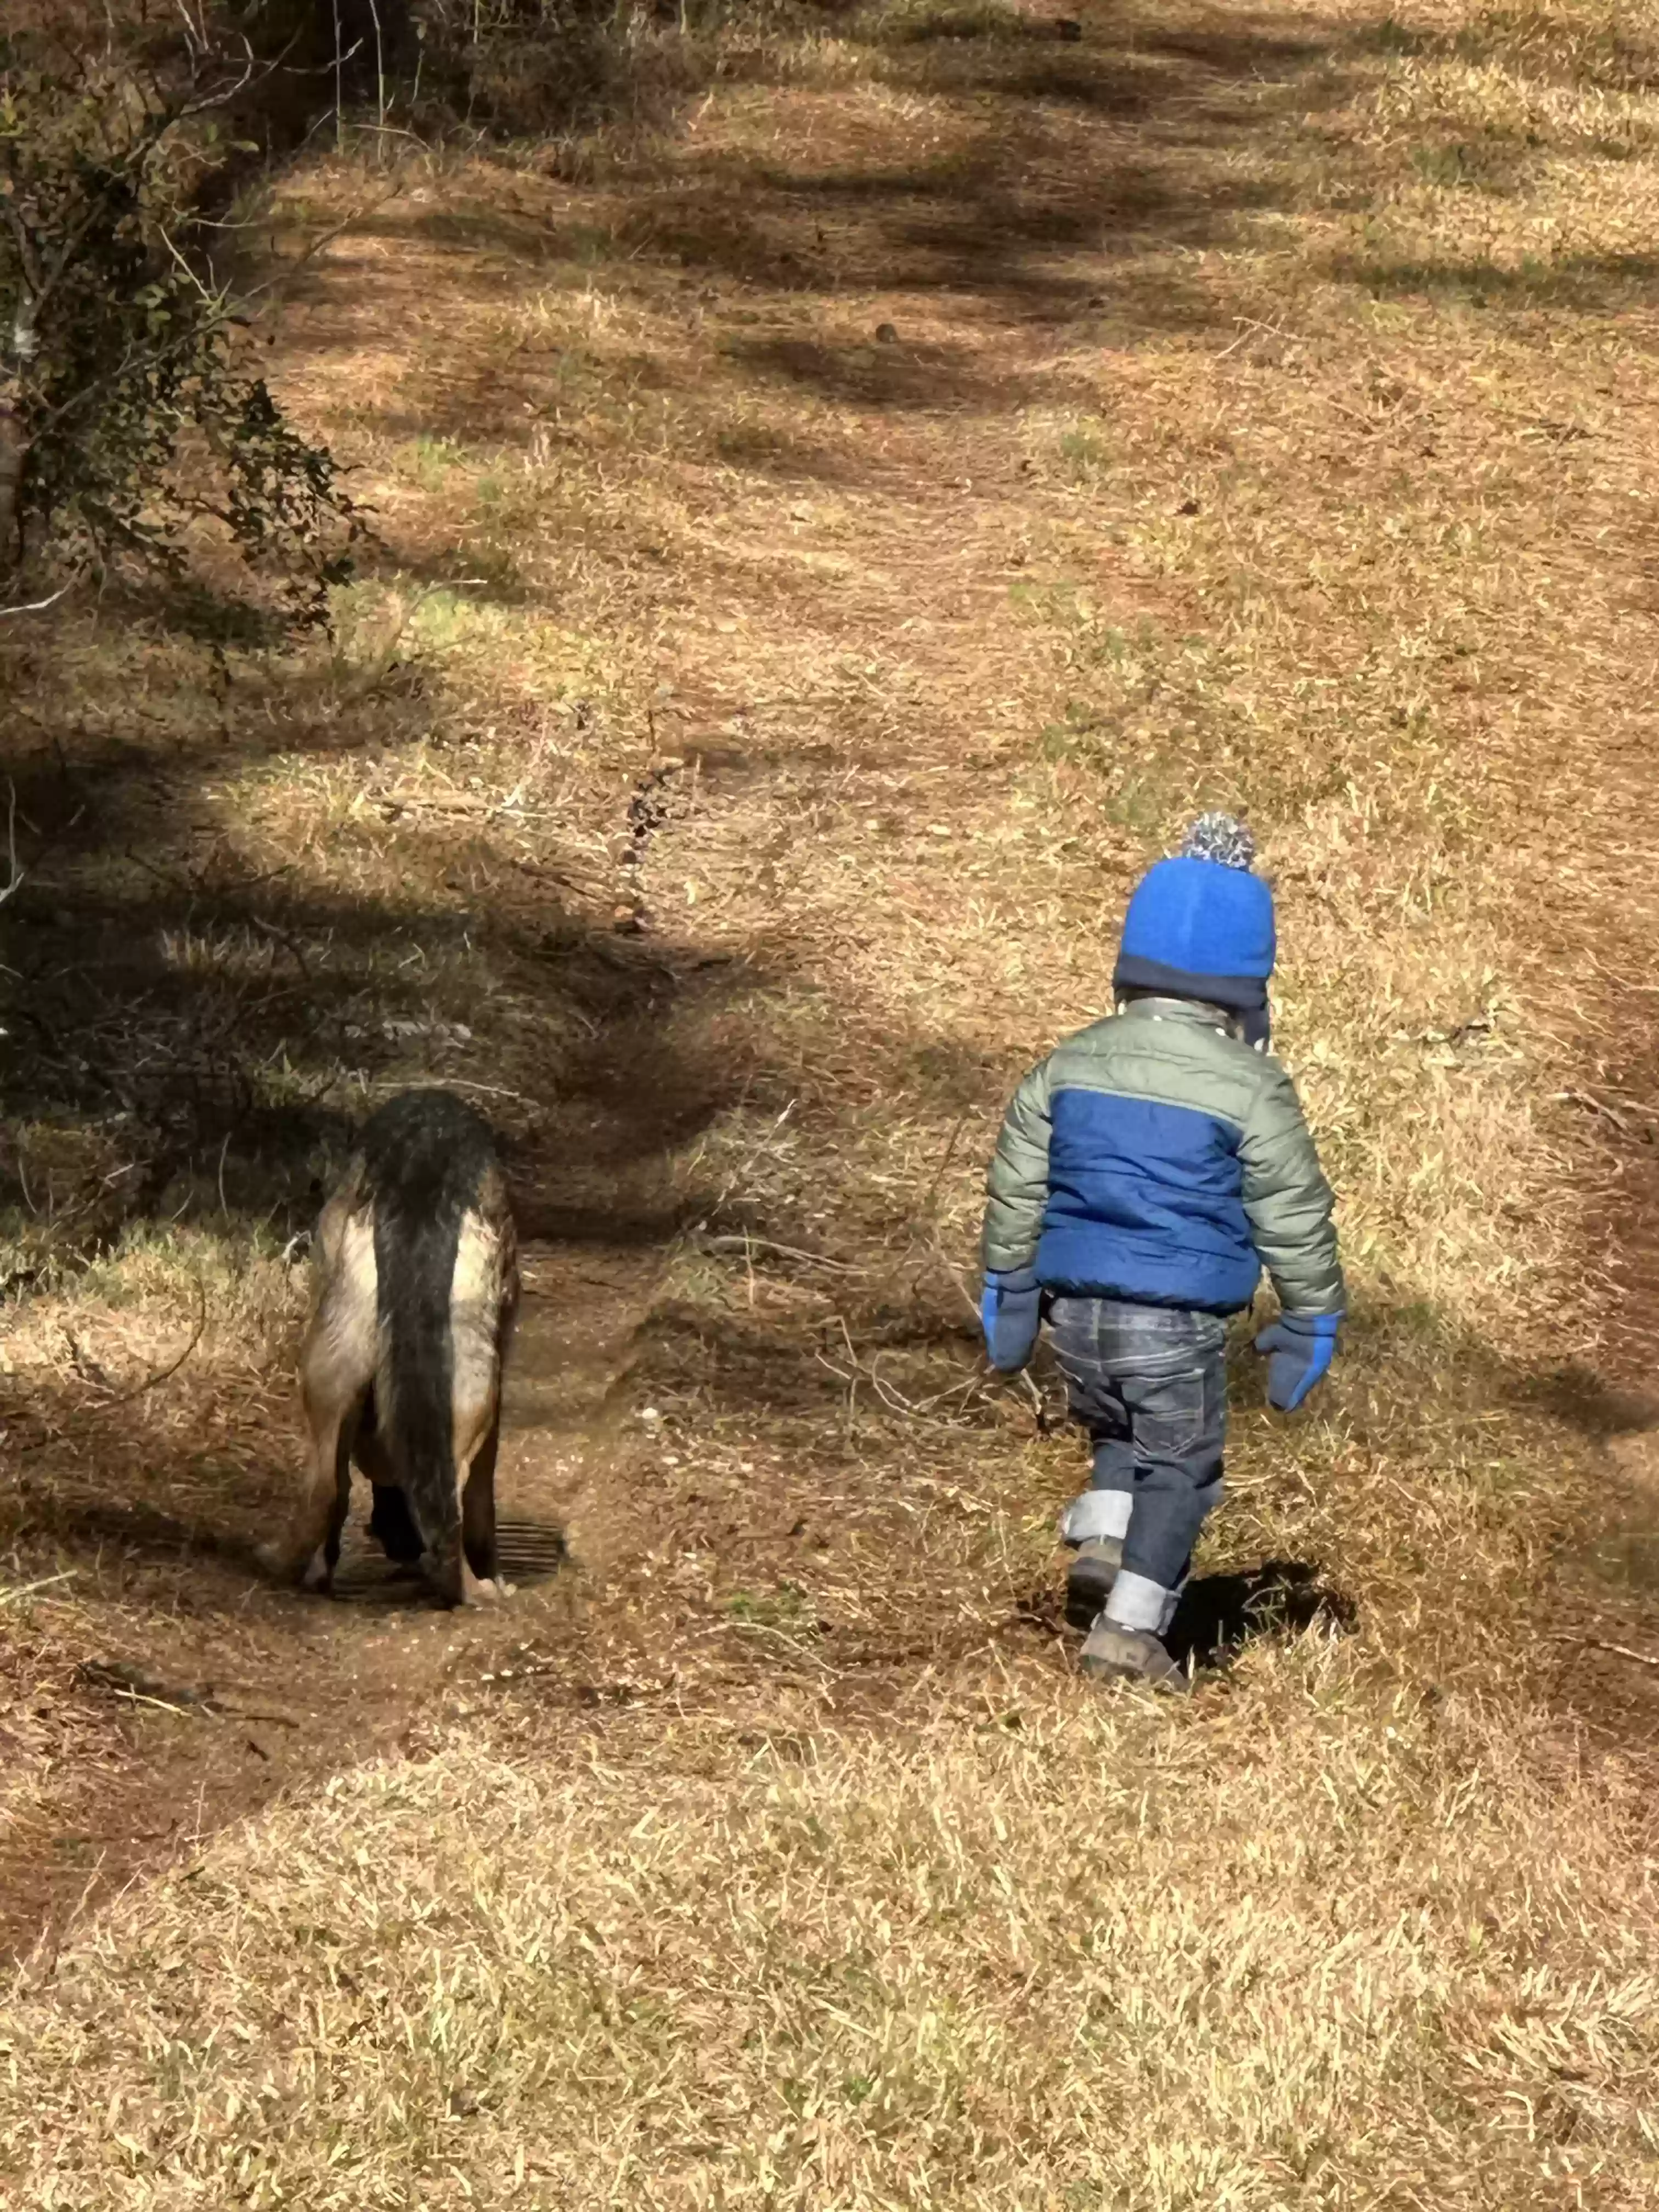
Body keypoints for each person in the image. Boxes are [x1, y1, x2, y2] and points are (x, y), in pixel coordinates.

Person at [978, 813, 1344, 1691]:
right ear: (1248, 990)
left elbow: (1018, 1182)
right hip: (1172, 1323)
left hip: (1078, 1320)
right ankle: (1132, 1632)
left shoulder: (1067, 1064)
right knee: (1180, 1465)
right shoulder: (1252, 1086)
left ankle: (1103, 1542)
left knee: (1115, 1425)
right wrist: (1311, 1315)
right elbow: (1291, 1209)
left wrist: (1008, 1281)